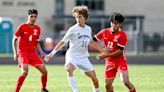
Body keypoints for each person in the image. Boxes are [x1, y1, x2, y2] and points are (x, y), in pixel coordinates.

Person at [44, 5, 106, 92]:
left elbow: (91, 42)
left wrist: (102, 50)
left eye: (80, 17)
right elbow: (62, 42)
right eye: (76, 17)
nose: (77, 19)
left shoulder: (88, 29)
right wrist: (51, 53)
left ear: (85, 17)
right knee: (69, 68)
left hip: (83, 57)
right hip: (72, 55)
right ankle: (75, 90)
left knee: (95, 79)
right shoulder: (72, 29)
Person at [93, 13, 136, 92]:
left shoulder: (122, 35)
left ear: (120, 24)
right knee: (107, 86)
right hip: (109, 63)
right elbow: (92, 41)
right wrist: (101, 50)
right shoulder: (104, 31)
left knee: (125, 81)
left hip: (120, 61)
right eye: (112, 22)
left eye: (115, 23)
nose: (113, 25)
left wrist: (104, 55)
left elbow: (120, 51)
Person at [12, 9, 48, 92]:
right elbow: (14, 39)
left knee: (44, 71)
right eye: (31, 16)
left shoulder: (37, 28)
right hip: (23, 53)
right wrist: (15, 53)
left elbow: (36, 42)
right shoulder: (22, 27)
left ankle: (43, 88)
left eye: (35, 17)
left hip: (32, 53)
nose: (33, 18)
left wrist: (42, 52)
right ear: (28, 16)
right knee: (24, 72)